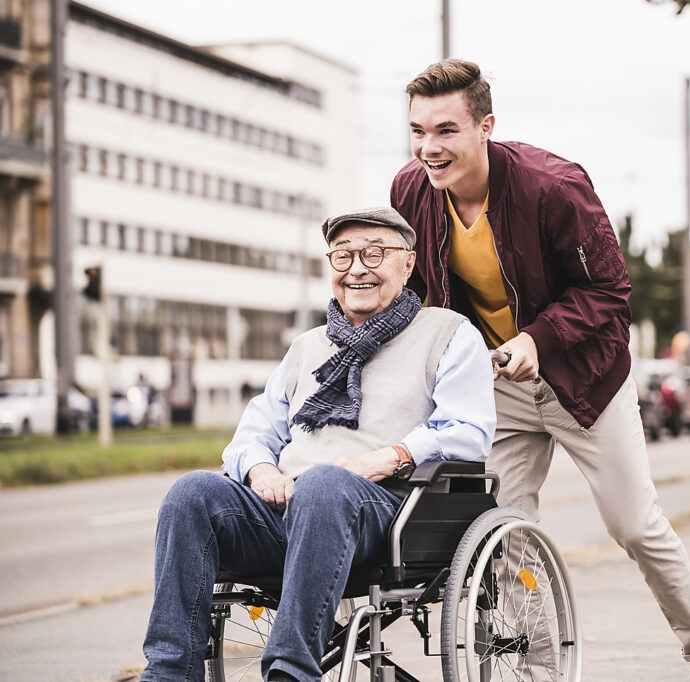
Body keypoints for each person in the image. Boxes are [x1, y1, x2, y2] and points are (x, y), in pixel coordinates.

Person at [391, 59, 690, 682]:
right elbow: (415, 296)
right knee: (501, 539)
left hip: (583, 382)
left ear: (485, 127)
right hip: (499, 389)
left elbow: (609, 290)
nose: (429, 148)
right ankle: (536, 672)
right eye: (418, 131)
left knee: (634, 524)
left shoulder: (553, 186)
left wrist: (538, 339)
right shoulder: (410, 193)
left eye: (445, 130)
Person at [139, 207, 495, 681]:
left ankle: (289, 674)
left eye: (374, 253)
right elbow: (253, 434)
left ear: (407, 264)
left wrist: (388, 457)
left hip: (390, 511)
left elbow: (468, 431)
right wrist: (261, 472)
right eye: (342, 256)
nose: (357, 268)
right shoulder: (307, 347)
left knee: (325, 484)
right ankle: (169, 674)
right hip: (289, 509)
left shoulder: (447, 333)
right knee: (191, 494)